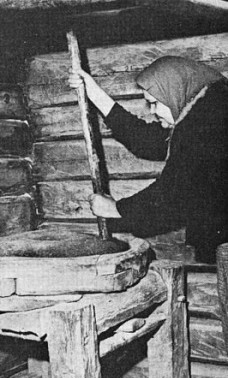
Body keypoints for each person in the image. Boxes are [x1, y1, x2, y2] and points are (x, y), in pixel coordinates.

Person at [69, 56, 228, 263]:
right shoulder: (203, 110)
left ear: (173, 89)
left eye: (154, 103)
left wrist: (117, 209)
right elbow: (148, 140)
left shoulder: (210, 120)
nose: (152, 111)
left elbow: (175, 193)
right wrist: (93, 92)